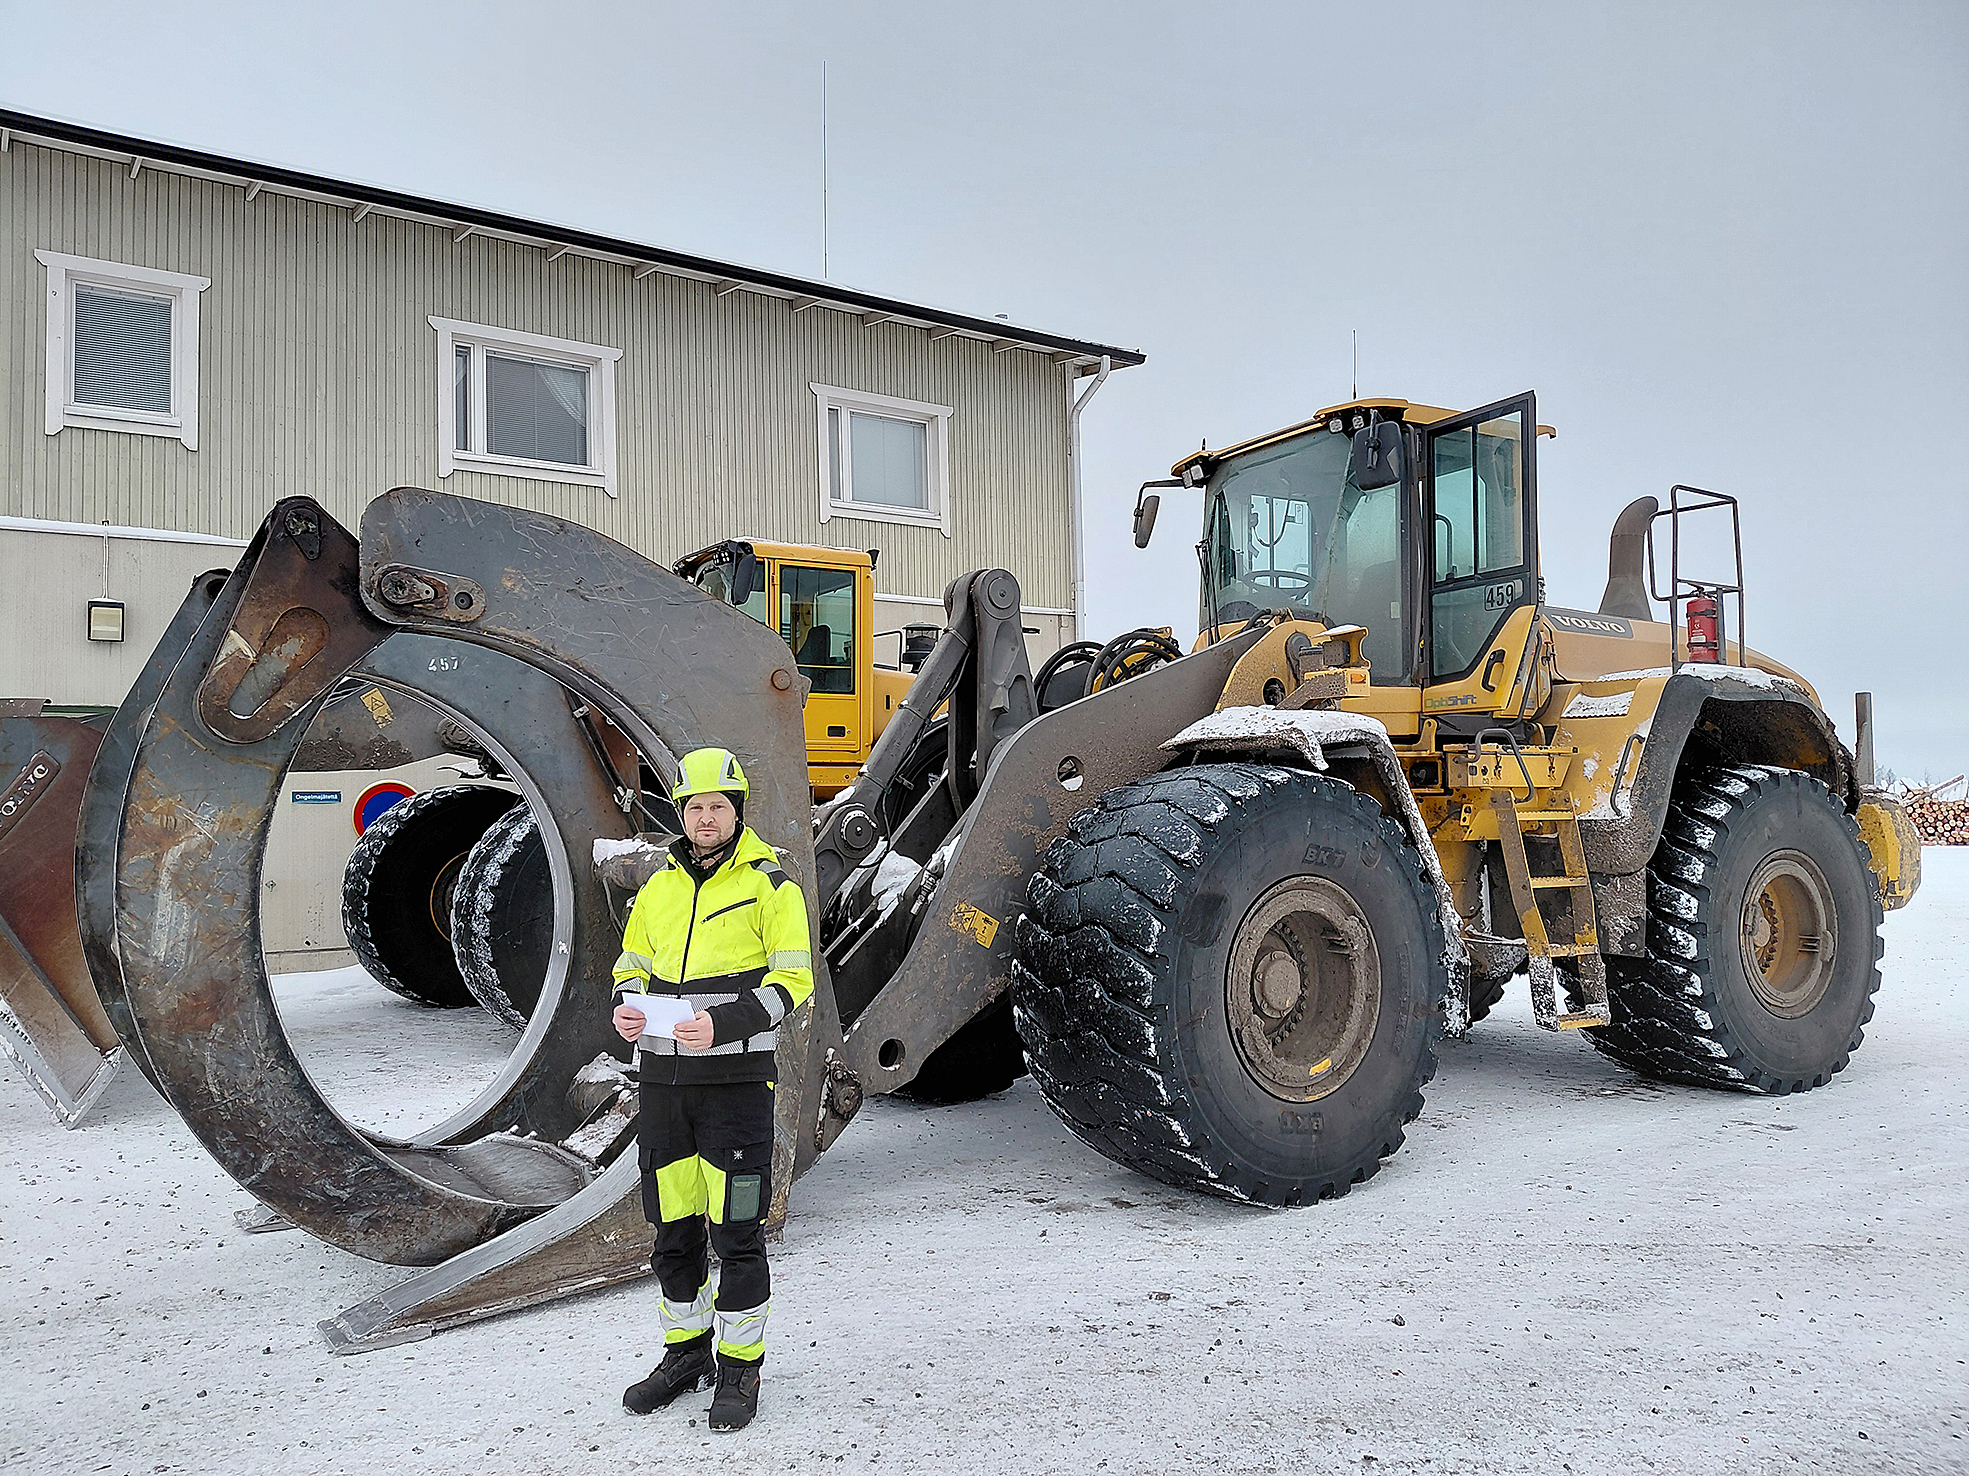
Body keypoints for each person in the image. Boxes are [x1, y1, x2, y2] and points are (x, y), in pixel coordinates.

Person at [611, 747, 813, 1431]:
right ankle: (685, 1354)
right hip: (664, 1088)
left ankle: (740, 1369)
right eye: (694, 806)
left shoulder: (770, 886)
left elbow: (793, 983)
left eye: (716, 806)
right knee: (671, 1235)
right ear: (680, 811)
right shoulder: (658, 889)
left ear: (736, 812)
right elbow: (630, 964)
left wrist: (722, 1025)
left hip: (734, 1090)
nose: (704, 817)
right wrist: (626, 1004)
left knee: (737, 1236)